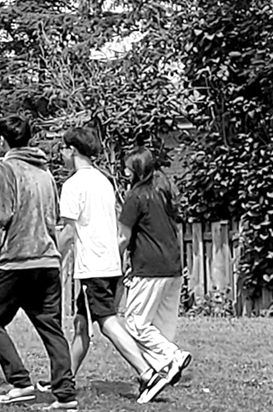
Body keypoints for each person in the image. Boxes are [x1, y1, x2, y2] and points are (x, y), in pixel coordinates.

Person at [53, 127, 166, 403]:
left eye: (63, 150)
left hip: (93, 267)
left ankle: (148, 374)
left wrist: (54, 260)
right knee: (82, 323)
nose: (61, 155)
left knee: (107, 322)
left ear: (72, 150)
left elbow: (68, 231)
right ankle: (64, 378)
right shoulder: (103, 180)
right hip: (111, 263)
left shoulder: (73, 185)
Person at [0, 115, 78, 411]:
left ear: (1, 140)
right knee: (51, 328)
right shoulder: (45, 172)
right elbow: (55, 214)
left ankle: (20, 381)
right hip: (48, 260)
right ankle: (65, 394)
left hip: (18, 260)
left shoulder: (4, 168)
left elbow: (0, 214)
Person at [118, 146, 192, 401]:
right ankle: (165, 371)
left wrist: (115, 262)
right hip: (173, 267)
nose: (124, 171)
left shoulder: (135, 196)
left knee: (135, 323)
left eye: (127, 167)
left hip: (149, 269)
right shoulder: (164, 192)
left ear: (136, 170)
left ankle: (173, 357)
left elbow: (123, 237)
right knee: (160, 326)